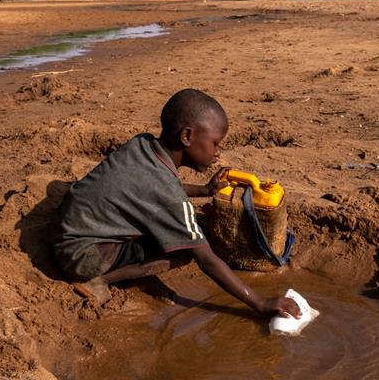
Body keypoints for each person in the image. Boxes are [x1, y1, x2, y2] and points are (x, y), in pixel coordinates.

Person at [51, 88, 300, 319]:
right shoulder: (166, 190)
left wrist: (204, 190)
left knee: (172, 228)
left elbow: (151, 189)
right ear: (187, 136)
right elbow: (206, 260)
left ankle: (130, 272)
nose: (217, 152)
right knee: (185, 247)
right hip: (81, 257)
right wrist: (261, 303)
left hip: (68, 231)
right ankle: (101, 279)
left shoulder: (143, 144)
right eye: (214, 143)